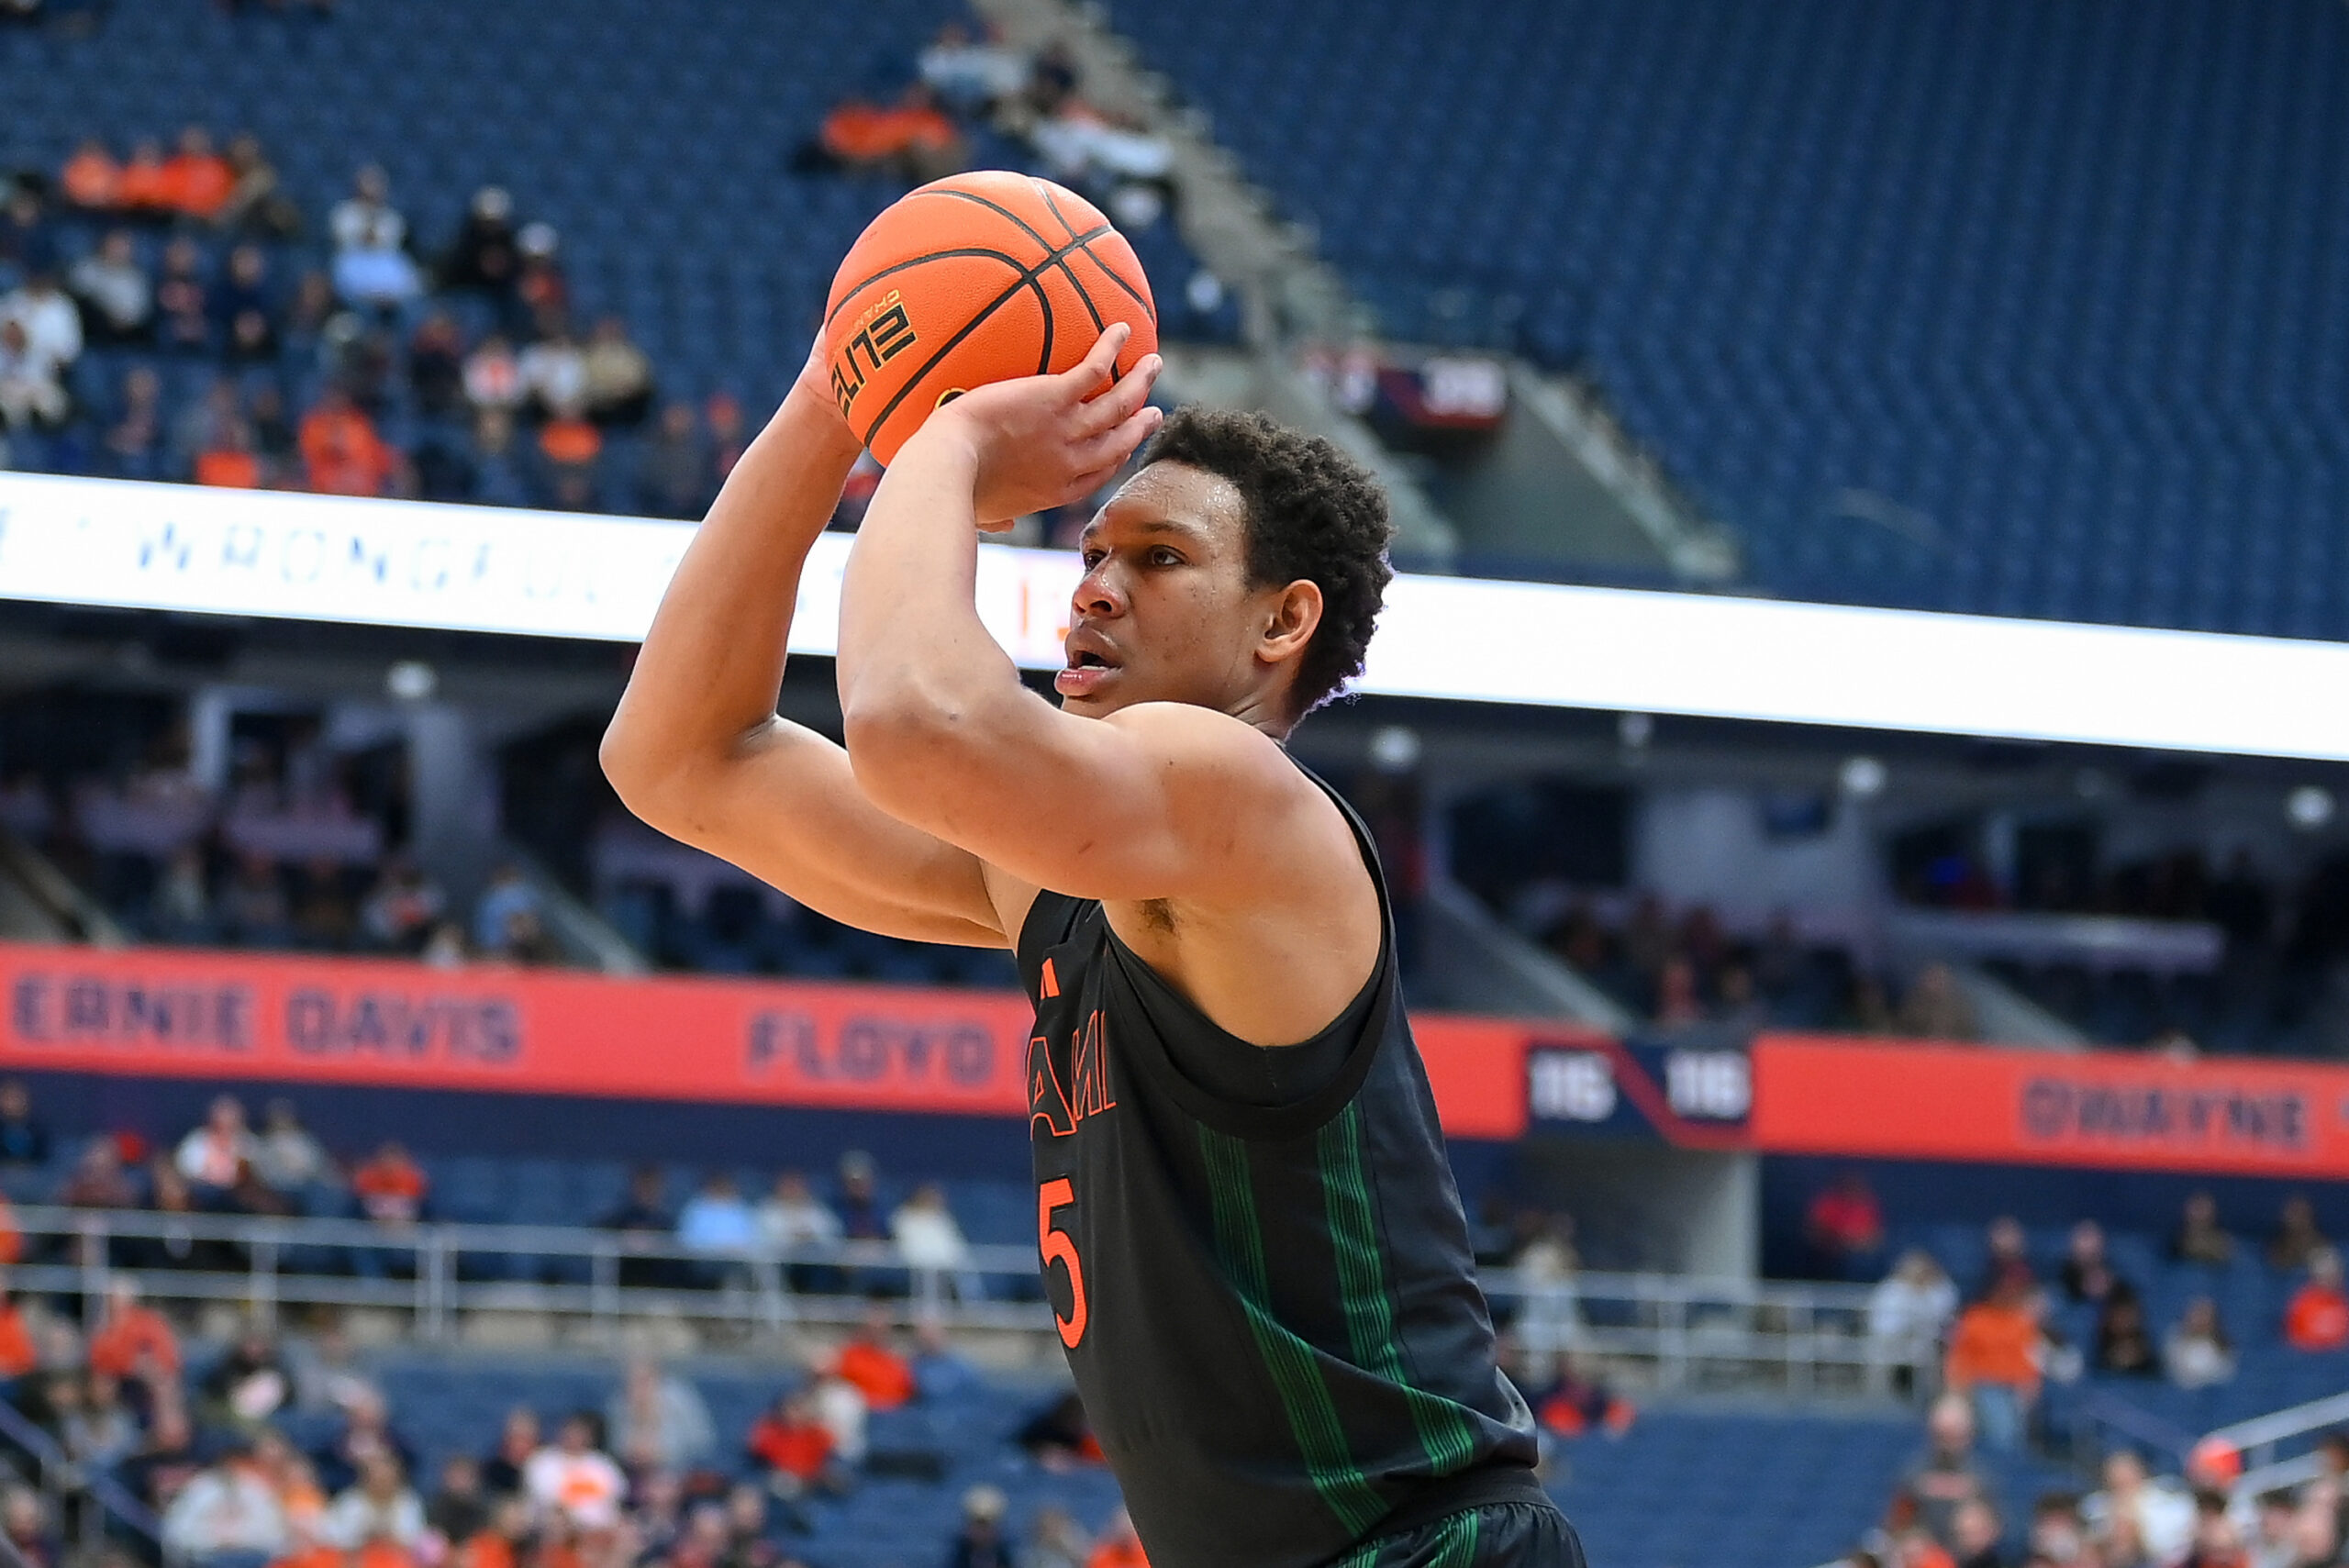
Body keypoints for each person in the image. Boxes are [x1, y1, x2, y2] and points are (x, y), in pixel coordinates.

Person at [602, 327, 1575, 1564]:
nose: (1095, 585)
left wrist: (941, 436)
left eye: (1159, 559)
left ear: (1283, 621)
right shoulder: (1056, 875)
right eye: (1093, 551)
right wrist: (830, 395)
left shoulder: (1250, 802)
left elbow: (913, 722)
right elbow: (679, 761)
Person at [161, 1439, 290, 1566]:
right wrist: (215, 1539)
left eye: (238, 1458)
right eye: (229, 1459)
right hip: (208, 1558)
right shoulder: (198, 1488)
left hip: (251, 1556)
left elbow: (275, 1534)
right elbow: (176, 1535)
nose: (233, 1464)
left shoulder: (255, 1487)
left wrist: (239, 1537)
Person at [1945, 1279, 2040, 1451]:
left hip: (2015, 1387)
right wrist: (1957, 1387)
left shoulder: (2021, 1321)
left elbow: (2028, 1358)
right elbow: (1960, 1356)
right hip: (1984, 1384)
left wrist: (2030, 1385)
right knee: (2002, 1433)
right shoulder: (1976, 1319)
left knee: (2017, 1434)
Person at [1897, 1396, 1997, 1551]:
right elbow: (1899, 1521)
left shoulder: (1983, 1474)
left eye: (1953, 1435)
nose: (1947, 1444)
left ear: (1968, 1434)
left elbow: (1997, 1525)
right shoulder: (1913, 1472)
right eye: (1941, 1435)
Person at [603, 1357, 715, 1474]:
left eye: (645, 1381)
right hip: (630, 1475)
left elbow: (700, 1444)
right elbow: (614, 1448)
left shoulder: (678, 1402)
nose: (638, 1389)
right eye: (632, 1382)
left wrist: (662, 1455)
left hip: (677, 1474)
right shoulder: (618, 1406)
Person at [522, 1412, 625, 1532]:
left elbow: (616, 1494)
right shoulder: (543, 1461)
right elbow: (548, 1500)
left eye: (580, 1433)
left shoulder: (602, 1464)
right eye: (572, 1432)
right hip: (558, 1525)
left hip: (599, 1528)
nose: (575, 1437)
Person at [69, 230, 153, 346]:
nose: (119, 251)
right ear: (104, 245)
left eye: (123, 247)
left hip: (127, 335)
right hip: (93, 332)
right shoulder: (88, 269)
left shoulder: (136, 278)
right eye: (115, 245)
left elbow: (140, 312)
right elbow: (78, 297)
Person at [89, 1279, 181, 1385]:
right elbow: (97, 1358)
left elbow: (165, 1355)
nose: (115, 1303)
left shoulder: (147, 1322)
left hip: (145, 1376)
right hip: (116, 1376)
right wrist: (127, 1363)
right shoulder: (104, 1327)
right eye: (112, 1299)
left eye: (118, 1298)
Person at [1806, 1170, 1887, 1282]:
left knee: (1864, 1261)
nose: (1854, 1188)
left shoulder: (1866, 1206)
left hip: (1859, 1255)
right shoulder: (1828, 1204)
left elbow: (1876, 1237)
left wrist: (1859, 1242)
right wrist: (1842, 1240)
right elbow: (1816, 1234)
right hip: (1829, 1254)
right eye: (1850, 1184)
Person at [2286, 1248, 2349, 1352]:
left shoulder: (2343, 1303)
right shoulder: (2302, 1304)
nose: (2331, 1279)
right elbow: (2296, 1340)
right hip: (2312, 1359)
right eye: (2326, 1275)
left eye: (2334, 1275)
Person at [2166, 1298, 2236, 1389]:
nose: (2199, 1320)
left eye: (2204, 1316)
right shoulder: (2174, 1343)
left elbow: (2220, 1380)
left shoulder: (2224, 1351)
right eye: (2197, 1315)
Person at [2094, 1291, 2160, 1377]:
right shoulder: (2097, 1351)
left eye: (2127, 1315)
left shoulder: (2149, 1353)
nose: (2123, 1321)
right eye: (2119, 1316)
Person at [947, 1485, 1015, 1568]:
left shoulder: (1009, 1557)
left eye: (987, 1525)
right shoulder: (956, 1559)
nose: (982, 1531)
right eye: (978, 1524)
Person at [2269, 1197, 2329, 1274]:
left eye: (2301, 1215)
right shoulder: (2276, 1247)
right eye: (2293, 1214)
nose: (2296, 1221)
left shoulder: (2322, 1246)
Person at [2175, 1193, 2235, 1266]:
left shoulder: (2227, 1245)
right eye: (2196, 1208)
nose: (2200, 1213)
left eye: (2203, 1208)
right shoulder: (2173, 1246)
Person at [0, 1082, 48, 1168]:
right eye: (9, 1098)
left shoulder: (37, 1131)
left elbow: (44, 1159)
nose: (14, 1103)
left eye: (17, 1098)